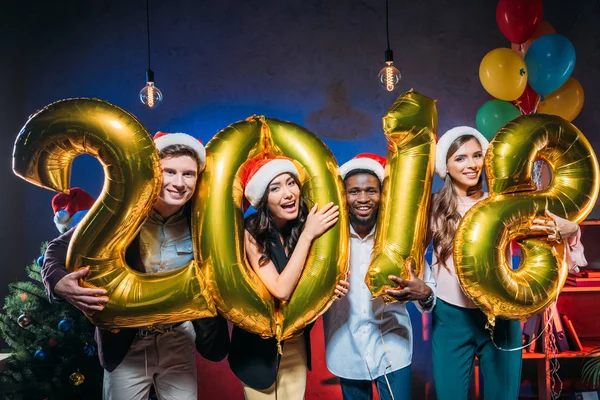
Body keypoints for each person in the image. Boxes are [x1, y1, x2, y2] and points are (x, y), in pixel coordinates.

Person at [42, 132, 228, 400]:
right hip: (127, 343)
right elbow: (57, 250)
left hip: (179, 340)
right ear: (154, 173)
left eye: (188, 174)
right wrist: (58, 281)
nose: (179, 183)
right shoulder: (122, 214)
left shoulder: (202, 223)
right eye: (170, 172)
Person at [429, 126, 586, 400]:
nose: (472, 165)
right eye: (461, 158)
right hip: (451, 315)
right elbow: (412, 258)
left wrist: (570, 230)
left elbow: (558, 230)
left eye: (477, 155)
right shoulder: (433, 208)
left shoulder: (505, 203)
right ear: (446, 165)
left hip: (502, 314)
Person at [228, 156, 349, 400]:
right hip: (257, 351)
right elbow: (281, 289)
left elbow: (309, 281)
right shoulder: (251, 232)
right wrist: (307, 236)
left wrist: (330, 288)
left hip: (295, 343)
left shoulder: (304, 224)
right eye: (276, 188)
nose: (288, 194)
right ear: (263, 199)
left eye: (291, 183)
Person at [323, 153, 436, 400]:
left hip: (393, 351)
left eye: (371, 191)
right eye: (354, 191)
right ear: (343, 196)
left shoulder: (399, 240)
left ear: (382, 194)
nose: (363, 199)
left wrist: (424, 293)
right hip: (345, 349)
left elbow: (428, 295)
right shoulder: (328, 241)